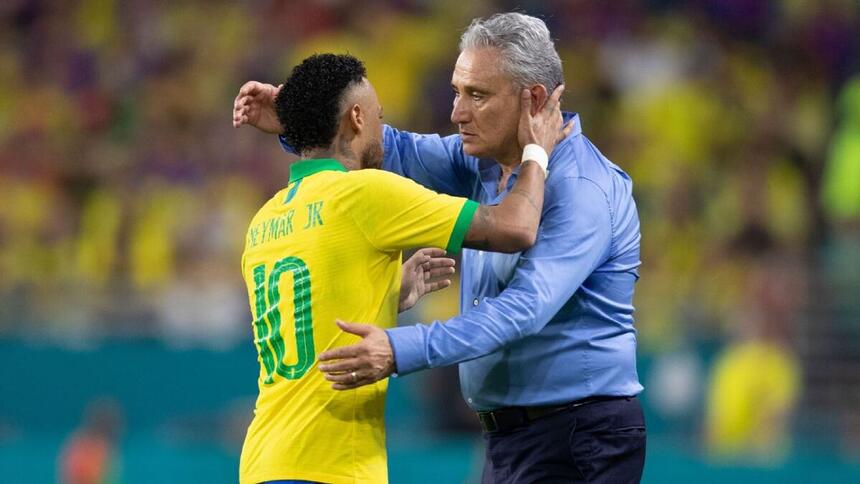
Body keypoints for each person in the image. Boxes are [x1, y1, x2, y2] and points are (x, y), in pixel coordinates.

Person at [234, 13, 643, 483]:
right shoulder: (481, 163)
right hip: (507, 438)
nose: (456, 113)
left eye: (477, 95)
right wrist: (303, 118)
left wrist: (399, 347)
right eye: (457, 91)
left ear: (532, 100)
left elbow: (524, 309)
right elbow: (378, 147)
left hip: (577, 433)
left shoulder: (582, 189)